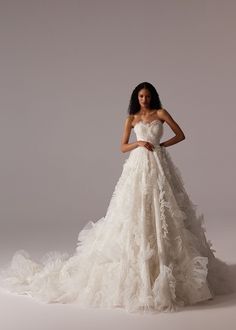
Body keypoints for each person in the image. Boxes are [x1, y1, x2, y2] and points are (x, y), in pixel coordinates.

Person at [0, 82, 233, 314]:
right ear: (136, 97)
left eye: (148, 96)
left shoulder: (161, 113)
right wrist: (139, 143)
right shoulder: (131, 118)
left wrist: (161, 145)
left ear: (153, 97)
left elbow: (181, 134)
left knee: (166, 210)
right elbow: (122, 147)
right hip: (138, 165)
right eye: (141, 96)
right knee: (135, 210)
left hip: (160, 166)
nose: (145, 99)